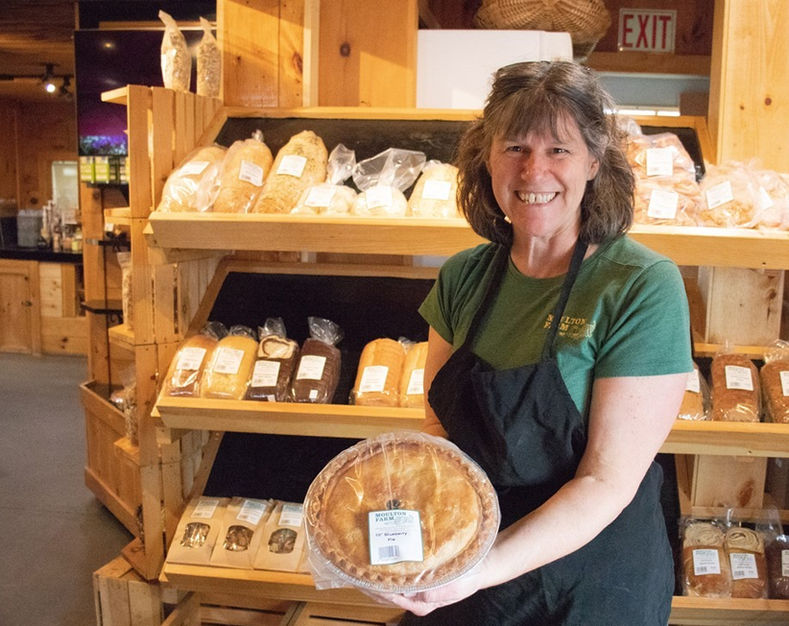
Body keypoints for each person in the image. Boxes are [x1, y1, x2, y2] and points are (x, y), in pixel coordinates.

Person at [386, 61, 693, 624]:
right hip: (473, 561)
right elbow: (439, 434)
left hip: (592, 578)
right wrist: (402, 550)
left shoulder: (640, 284)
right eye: (516, 148)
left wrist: (476, 570)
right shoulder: (464, 276)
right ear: (488, 159)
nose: (535, 171)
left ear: (594, 163)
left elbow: (605, 481)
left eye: (559, 150)